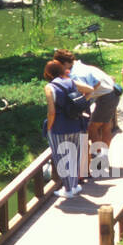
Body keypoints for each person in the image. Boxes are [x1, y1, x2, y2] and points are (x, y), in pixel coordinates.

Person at [53, 50, 122, 178]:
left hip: (106, 96)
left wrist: (82, 101)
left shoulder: (75, 73)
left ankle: (99, 160)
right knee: (105, 126)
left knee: (93, 127)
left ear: (65, 63)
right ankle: (101, 158)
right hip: (110, 92)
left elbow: (91, 87)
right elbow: (97, 83)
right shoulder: (80, 65)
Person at [43, 60, 88, 198]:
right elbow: (89, 90)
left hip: (59, 127)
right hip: (76, 124)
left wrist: (49, 127)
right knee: (75, 156)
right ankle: (74, 186)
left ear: (48, 73)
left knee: (61, 158)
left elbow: (51, 112)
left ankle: (68, 190)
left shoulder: (49, 87)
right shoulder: (71, 82)